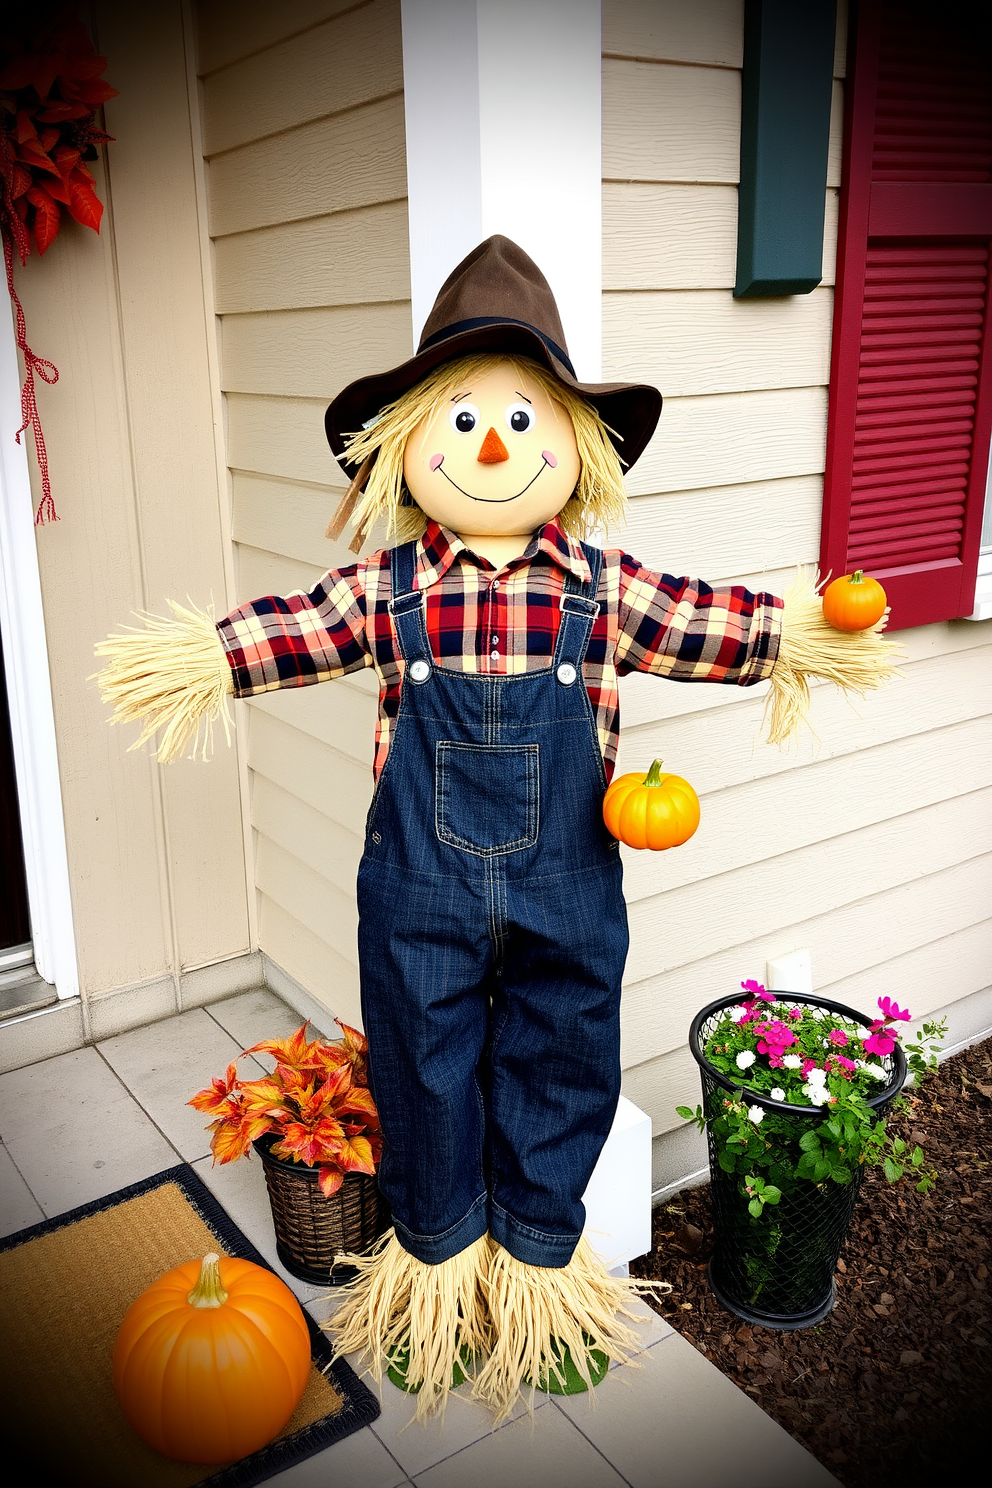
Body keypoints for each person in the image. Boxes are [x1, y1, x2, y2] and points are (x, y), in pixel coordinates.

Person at [96, 236, 897, 1419]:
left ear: (573, 445)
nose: (486, 444)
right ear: (403, 440)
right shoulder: (384, 590)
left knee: (558, 1061)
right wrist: (201, 658)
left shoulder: (602, 587)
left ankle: (536, 1285)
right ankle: (432, 1278)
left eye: (521, 420)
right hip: (413, 886)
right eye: (460, 416)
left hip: (567, 883)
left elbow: (704, 623)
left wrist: (795, 635)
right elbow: (286, 628)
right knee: (422, 1071)